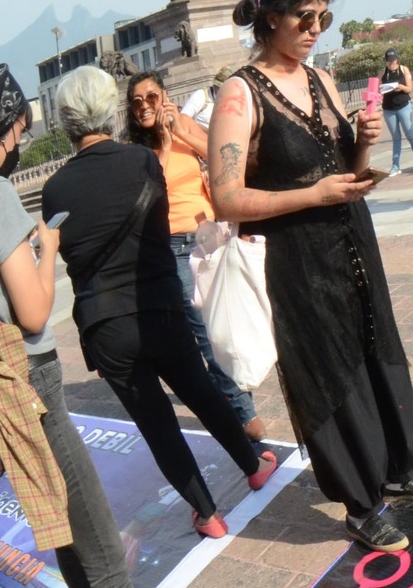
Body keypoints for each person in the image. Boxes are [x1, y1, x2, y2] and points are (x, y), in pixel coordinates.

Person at [0, 60, 248, 588]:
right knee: (102, 548)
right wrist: (46, 245)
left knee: (61, 520)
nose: (21, 140)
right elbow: (32, 312)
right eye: (19, 128)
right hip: (31, 380)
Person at [209, 0, 413, 553]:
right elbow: (225, 198)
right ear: (271, 17)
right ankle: (361, 503)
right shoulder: (240, 94)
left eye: (323, 16)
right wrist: (312, 195)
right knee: (329, 369)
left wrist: (363, 144)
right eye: (304, 16)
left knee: (374, 346)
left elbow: (345, 168)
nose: (315, 28)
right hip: (298, 259)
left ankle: (396, 468)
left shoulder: (318, 78)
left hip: (352, 242)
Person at [44, 66, 279, 536]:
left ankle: (207, 515)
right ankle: (253, 466)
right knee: (201, 391)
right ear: (109, 111)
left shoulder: (54, 189)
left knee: (157, 425)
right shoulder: (141, 161)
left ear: (66, 120)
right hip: (158, 304)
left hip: (105, 324)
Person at [123, 71, 266, 441]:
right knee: (206, 331)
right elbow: (150, 188)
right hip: (173, 244)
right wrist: (165, 144)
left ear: (165, 97)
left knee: (226, 322)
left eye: (151, 98)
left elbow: (223, 159)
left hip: (210, 234)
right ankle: (244, 414)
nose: (144, 106)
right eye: (136, 102)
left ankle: (236, 400)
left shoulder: (185, 125)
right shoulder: (135, 151)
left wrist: (180, 131)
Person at [377, 47, 413, 175]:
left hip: (403, 106)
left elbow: (409, 89)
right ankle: (395, 165)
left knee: (410, 134)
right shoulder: (382, 72)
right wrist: (381, 90)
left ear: (397, 59)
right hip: (388, 109)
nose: (390, 63)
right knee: (396, 138)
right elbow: (377, 89)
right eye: (388, 60)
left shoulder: (404, 69)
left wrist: (401, 87)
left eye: (392, 60)